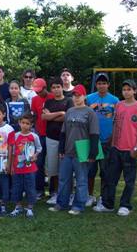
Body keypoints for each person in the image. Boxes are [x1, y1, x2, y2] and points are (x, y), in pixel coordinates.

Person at [94, 79, 137, 216]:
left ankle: (125, 205)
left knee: (129, 180)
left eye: (129, 89)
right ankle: (108, 204)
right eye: (124, 89)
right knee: (111, 178)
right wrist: (112, 144)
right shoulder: (119, 105)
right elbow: (115, 124)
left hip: (129, 149)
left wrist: (136, 147)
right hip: (116, 148)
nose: (126, 92)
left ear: (135, 91)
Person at [49, 84, 99, 215]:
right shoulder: (70, 111)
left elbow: (94, 134)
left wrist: (93, 153)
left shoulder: (90, 112)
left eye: (79, 95)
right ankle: (61, 203)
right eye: (74, 95)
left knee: (81, 180)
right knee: (64, 179)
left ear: (84, 96)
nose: (76, 98)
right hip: (68, 151)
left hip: (81, 153)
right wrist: (61, 149)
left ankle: (78, 205)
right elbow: (64, 132)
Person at [86, 73, 119, 207]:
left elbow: (117, 121)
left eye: (104, 83)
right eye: (99, 83)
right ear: (96, 85)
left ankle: (103, 196)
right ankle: (89, 196)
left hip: (107, 140)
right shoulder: (89, 98)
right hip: (92, 140)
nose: (101, 85)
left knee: (105, 171)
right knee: (90, 171)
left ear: (108, 85)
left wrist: (113, 137)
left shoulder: (115, 100)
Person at [42, 77, 73, 205]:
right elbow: (44, 117)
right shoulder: (48, 102)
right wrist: (60, 112)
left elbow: (68, 117)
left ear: (62, 87)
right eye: (53, 87)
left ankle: (68, 193)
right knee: (52, 168)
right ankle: (54, 193)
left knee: (66, 168)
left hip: (66, 139)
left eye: (58, 87)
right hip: (51, 138)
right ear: (51, 89)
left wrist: (52, 116)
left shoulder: (69, 101)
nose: (56, 89)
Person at [8, 113, 42, 218]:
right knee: (16, 187)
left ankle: (30, 208)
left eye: (27, 123)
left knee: (30, 187)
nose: (25, 125)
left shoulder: (34, 136)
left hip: (29, 168)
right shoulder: (16, 135)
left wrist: (35, 155)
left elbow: (39, 148)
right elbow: (12, 152)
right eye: (23, 123)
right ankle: (18, 206)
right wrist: (11, 166)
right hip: (17, 168)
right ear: (19, 123)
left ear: (31, 125)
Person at [30, 78, 54, 199]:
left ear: (45, 88)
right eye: (36, 91)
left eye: (40, 91)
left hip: (52, 134)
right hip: (39, 134)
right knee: (38, 162)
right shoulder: (34, 99)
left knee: (52, 163)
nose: (38, 93)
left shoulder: (52, 97)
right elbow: (34, 116)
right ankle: (39, 189)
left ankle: (53, 190)